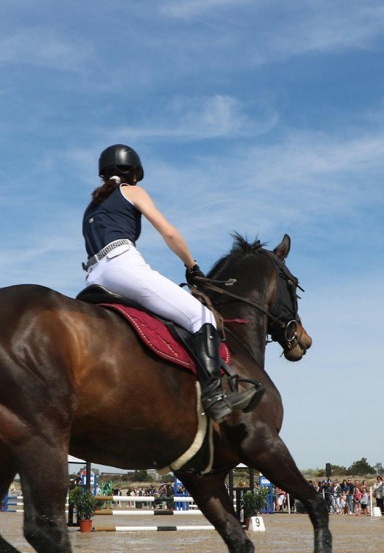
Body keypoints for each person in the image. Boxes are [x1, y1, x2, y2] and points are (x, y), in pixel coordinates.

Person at [83, 144, 258, 423]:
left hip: (94, 276)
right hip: (122, 265)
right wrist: (192, 265)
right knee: (202, 317)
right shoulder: (132, 190)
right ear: (134, 173)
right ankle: (215, 396)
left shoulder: (92, 206)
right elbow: (169, 234)